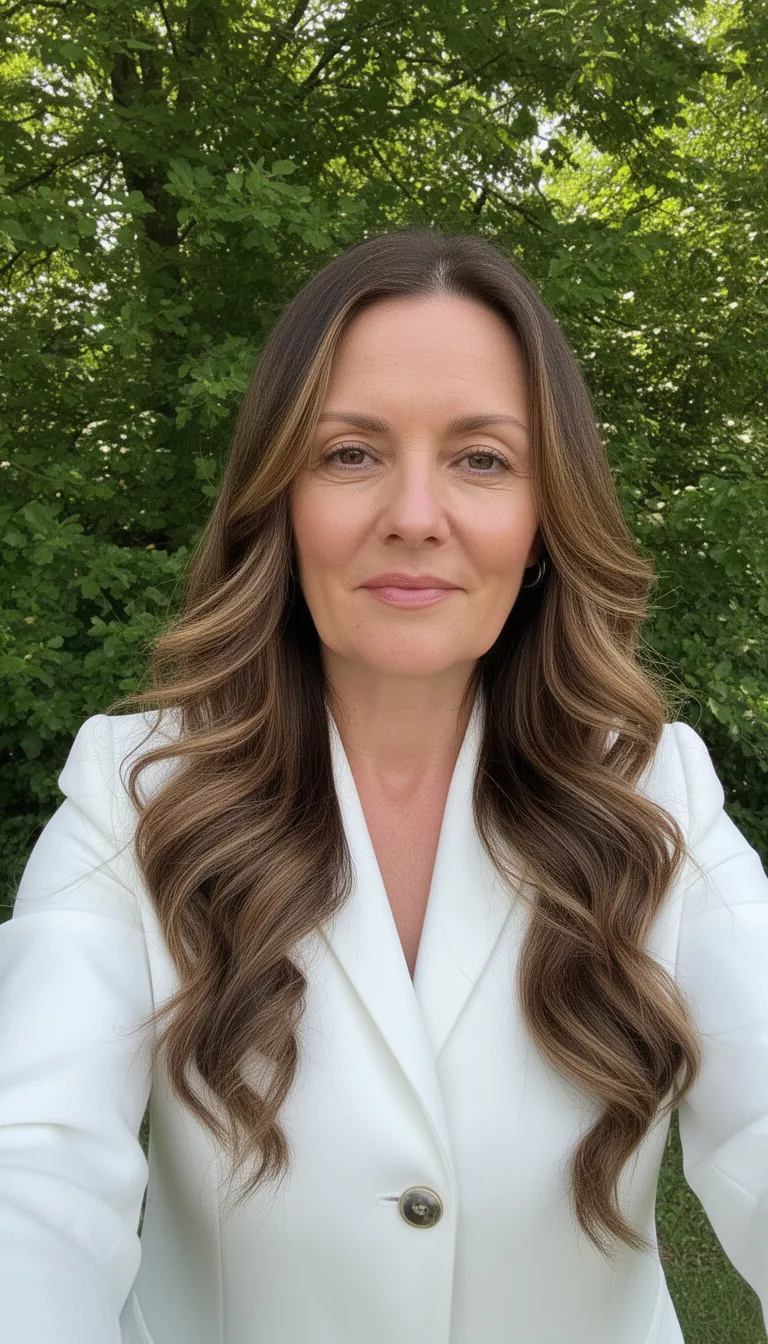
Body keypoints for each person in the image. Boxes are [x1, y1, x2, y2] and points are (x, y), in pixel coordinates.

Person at [1, 227, 767, 1344]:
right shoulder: (136, 793)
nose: (415, 512)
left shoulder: (655, 793)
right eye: (351, 453)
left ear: (544, 518)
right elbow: (31, 1165)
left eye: (482, 459)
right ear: (280, 497)